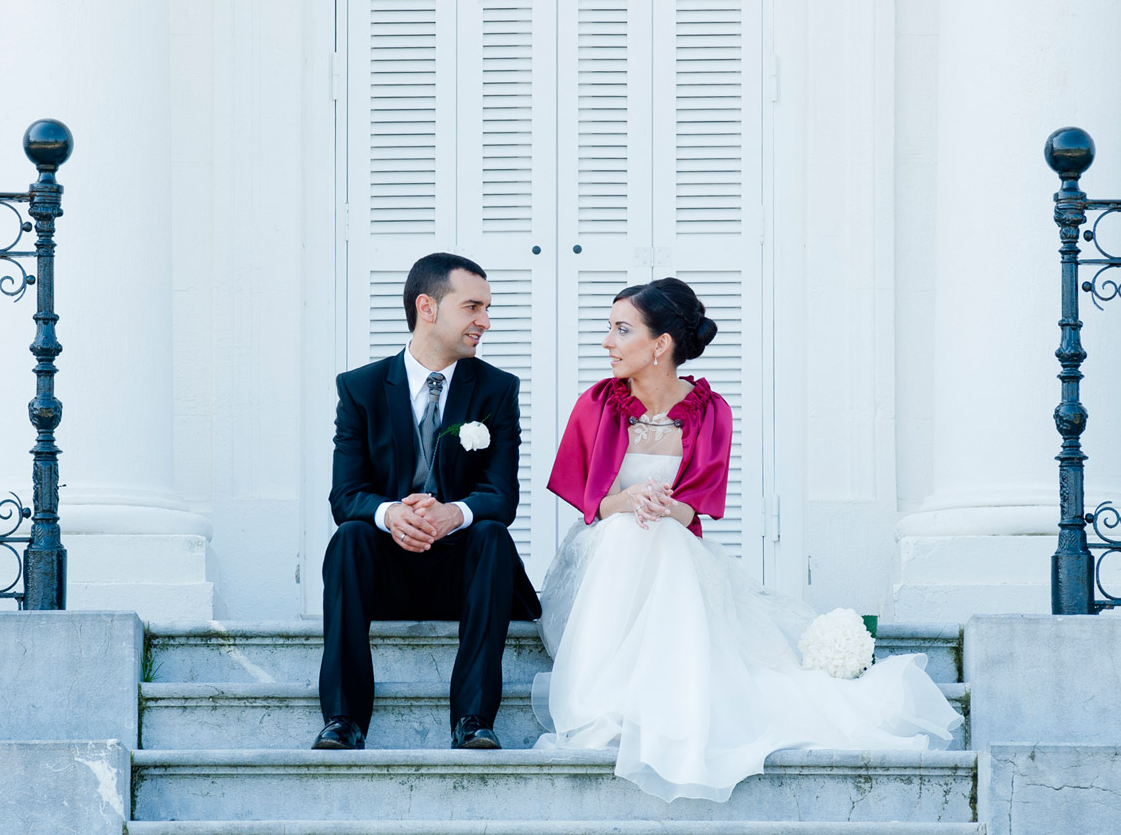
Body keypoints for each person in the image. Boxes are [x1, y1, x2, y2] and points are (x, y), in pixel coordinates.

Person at [535, 277, 962, 802]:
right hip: (604, 551)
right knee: (629, 530)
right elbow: (588, 503)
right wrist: (629, 501)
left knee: (659, 534)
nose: (608, 342)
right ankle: (609, 695)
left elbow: (696, 504)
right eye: (609, 329)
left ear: (660, 344)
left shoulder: (710, 410)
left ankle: (664, 692)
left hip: (672, 545)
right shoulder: (596, 404)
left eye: (621, 330)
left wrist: (663, 505)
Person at [316, 252, 542, 752]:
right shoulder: (361, 389)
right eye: (473, 307)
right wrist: (391, 513)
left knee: (490, 533)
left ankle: (474, 719)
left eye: (487, 308)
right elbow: (346, 495)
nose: (485, 321)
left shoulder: (498, 389)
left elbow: (500, 496)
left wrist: (451, 514)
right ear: (428, 307)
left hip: (462, 575)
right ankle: (343, 719)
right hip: (385, 574)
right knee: (350, 535)